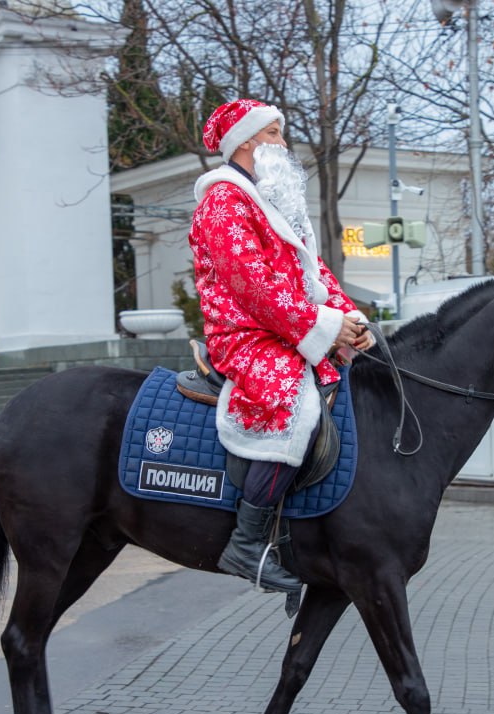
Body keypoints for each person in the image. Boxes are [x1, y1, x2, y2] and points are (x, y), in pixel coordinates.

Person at [189, 98, 374, 594]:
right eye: (273, 134)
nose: (283, 144)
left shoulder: (272, 202)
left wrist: (350, 320)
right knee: (289, 397)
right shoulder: (223, 202)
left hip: (286, 326)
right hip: (243, 333)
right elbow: (253, 285)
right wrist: (322, 328)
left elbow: (312, 276)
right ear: (246, 142)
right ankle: (247, 543)